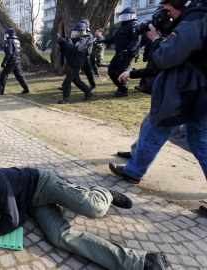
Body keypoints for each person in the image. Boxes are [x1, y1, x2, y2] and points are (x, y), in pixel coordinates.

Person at [0, 167, 167, 269]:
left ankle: (104, 192)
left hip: (45, 184)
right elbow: (20, 218)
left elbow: (13, 220)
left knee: (95, 209)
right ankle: (139, 261)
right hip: (35, 205)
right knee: (59, 237)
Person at [108, 0, 207, 215]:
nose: (166, 15)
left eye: (168, 11)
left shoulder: (197, 16)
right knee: (196, 139)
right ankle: (134, 169)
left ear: (181, 6)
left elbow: (164, 58)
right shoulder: (197, 15)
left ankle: (134, 171)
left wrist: (156, 40)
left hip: (187, 92)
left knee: (159, 130)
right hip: (194, 90)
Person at [96, 7, 141, 97]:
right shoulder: (123, 26)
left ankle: (124, 90)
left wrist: (126, 51)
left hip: (127, 54)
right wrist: (101, 41)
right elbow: (114, 38)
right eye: (123, 16)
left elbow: (135, 41)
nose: (125, 18)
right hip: (119, 53)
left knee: (121, 72)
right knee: (111, 71)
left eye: (127, 16)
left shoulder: (135, 25)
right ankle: (120, 87)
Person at [57, 23, 94, 104]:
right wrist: (62, 44)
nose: (75, 34)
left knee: (67, 81)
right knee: (76, 81)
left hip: (77, 64)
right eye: (74, 32)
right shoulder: (74, 40)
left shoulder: (82, 41)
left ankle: (65, 98)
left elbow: (74, 49)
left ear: (81, 33)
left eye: (77, 32)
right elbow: (65, 51)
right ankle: (88, 92)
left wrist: (65, 42)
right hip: (73, 63)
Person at [0, 28, 30, 95]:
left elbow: (9, 53)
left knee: (3, 75)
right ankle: (26, 88)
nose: (5, 36)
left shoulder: (9, 41)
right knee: (19, 75)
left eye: (6, 34)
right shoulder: (17, 40)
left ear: (9, 34)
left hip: (12, 61)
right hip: (17, 60)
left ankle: (1, 90)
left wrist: (4, 61)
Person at [79, 19, 97, 90]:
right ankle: (66, 85)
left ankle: (93, 85)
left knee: (88, 71)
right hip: (79, 55)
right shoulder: (80, 33)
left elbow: (86, 44)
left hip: (86, 55)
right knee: (73, 70)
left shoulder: (89, 35)